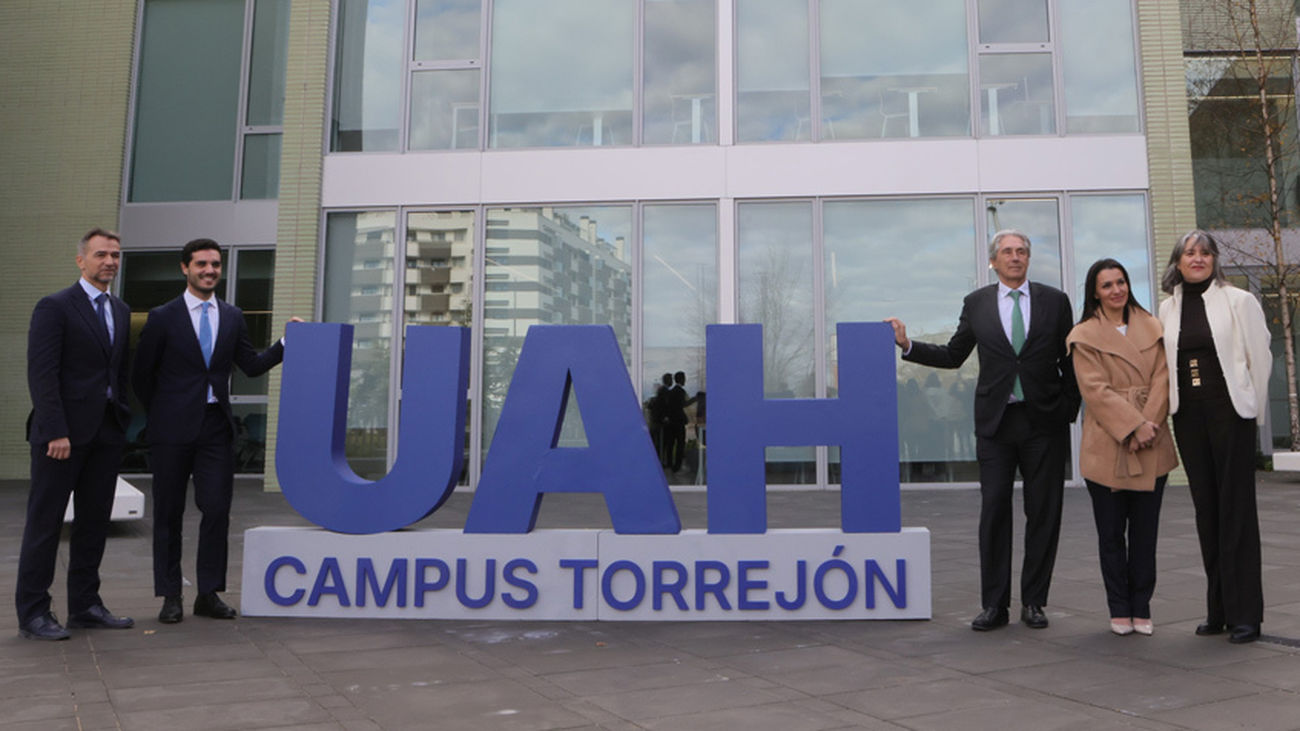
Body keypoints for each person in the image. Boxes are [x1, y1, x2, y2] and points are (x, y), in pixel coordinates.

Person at [885, 230, 1079, 631]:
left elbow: (1070, 360)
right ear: (994, 261)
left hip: (1044, 424)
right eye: (1007, 252)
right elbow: (954, 355)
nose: (1015, 257)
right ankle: (994, 605)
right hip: (997, 424)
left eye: (1021, 251)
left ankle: (1034, 603)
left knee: (1044, 513)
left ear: (1028, 259)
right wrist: (907, 345)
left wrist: (1068, 409)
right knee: (994, 513)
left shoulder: (1054, 302)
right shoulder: (976, 304)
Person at [133, 238, 296, 624]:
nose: (210, 271)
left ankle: (208, 593)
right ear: (184, 268)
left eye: (216, 265)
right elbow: (141, 375)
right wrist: (162, 413)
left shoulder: (233, 316)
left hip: (214, 428)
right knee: (169, 513)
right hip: (171, 429)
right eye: (202, 264)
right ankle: (170, 595)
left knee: (217, 510)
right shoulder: (162, 316)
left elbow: (252, 366)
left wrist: (287, 342)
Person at [17, 228, 135, 640]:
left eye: (116, 255)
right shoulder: (55, 307)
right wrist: (55, 429)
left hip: (105, 433)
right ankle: (33, 613)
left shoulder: (120, 309)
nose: (110, 262)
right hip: (61, 437)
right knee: (45, 524)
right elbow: (42, 373)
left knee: (93, 524)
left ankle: (85, 606)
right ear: (80, 260)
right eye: (101, 254)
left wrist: (121, 416)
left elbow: (118, 372)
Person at [1157, 230, 1271, 644]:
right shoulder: (1168, 309)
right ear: (1178, 261)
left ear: (1214, 260)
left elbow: (1261, 358)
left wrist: (1252, 411)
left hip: (1231, 413)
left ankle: (1246, 615)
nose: (1198, 259)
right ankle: (1218, 610)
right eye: (1190, 253)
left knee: (1236, 510)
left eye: (1205, 253)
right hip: (1188, 416)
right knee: (1207, 510)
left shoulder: (1239, 300)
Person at [1067, 258, 1178, 636]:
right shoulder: (1084, 334)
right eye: (1107, 285)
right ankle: (1118, 607)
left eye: (1121, 282)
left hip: (1152, 438)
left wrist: (1148, 424)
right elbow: (1094, 390)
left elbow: (1164, 378)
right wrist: (1131, 426)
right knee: (1111, 534)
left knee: (1145, 534)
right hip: (1107, 442)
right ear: (1094, 292)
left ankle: (1141, 606)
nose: (1116, 290)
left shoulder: (1154, 327)